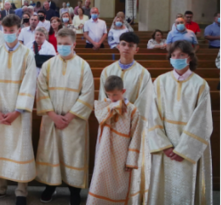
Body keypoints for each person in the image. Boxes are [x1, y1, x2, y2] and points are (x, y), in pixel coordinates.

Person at [0, 15, 36, 205]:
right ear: (2, 31)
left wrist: (17, 111)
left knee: (21, 149)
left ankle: (21, 191)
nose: (9, 34)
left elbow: (29, 84)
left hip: (19, 113)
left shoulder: (28, 54)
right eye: (6, 31)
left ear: (19, 30)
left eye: (12, 31)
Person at [148, 40, 213, 204]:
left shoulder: (200, 85)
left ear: (189, 58)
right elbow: (152, 114)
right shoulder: (160, 82)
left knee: (185, 189)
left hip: (188, 149)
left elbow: (202, 121)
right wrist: (165, 145)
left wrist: (183, 149)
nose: (177, 58)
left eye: (181, 55)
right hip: (165, 146)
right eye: (174, 55)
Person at [36, 28, 94, 205]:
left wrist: (68, 117)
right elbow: (41, 90)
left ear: (74, 44)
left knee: (73, 155)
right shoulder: (48, 65)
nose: (62, 47)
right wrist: (53, 115)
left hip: (73, 122)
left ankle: (74, 191)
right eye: (59, 44)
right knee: (50, 153)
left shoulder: (83, 66)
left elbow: (87, 94)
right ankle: (50, 186)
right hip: (51, 120)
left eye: (66, 44)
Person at [98, 32, 154, 204]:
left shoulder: (143, 74)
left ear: (136, 49)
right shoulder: (107, 71)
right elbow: (102, 102)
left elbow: (144, 103)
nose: (126, 48)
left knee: (128, 169)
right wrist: (113, 114)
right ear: (118, 46)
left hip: (132, 130)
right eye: (123, 44)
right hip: (110, 128)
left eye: (130, 45)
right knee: (108, 167)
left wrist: (126, 118)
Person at [88, 75, 144, 204]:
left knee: (120, 181)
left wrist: (131, 160)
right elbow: (100, 118)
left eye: (115, 95)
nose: (112, 98)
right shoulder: (105, 104)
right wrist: (113, 106)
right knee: (100, 178)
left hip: (122, 153)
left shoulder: (133, 110)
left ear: (123, 91)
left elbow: (136, 135)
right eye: (109, 95)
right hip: (104, 149)